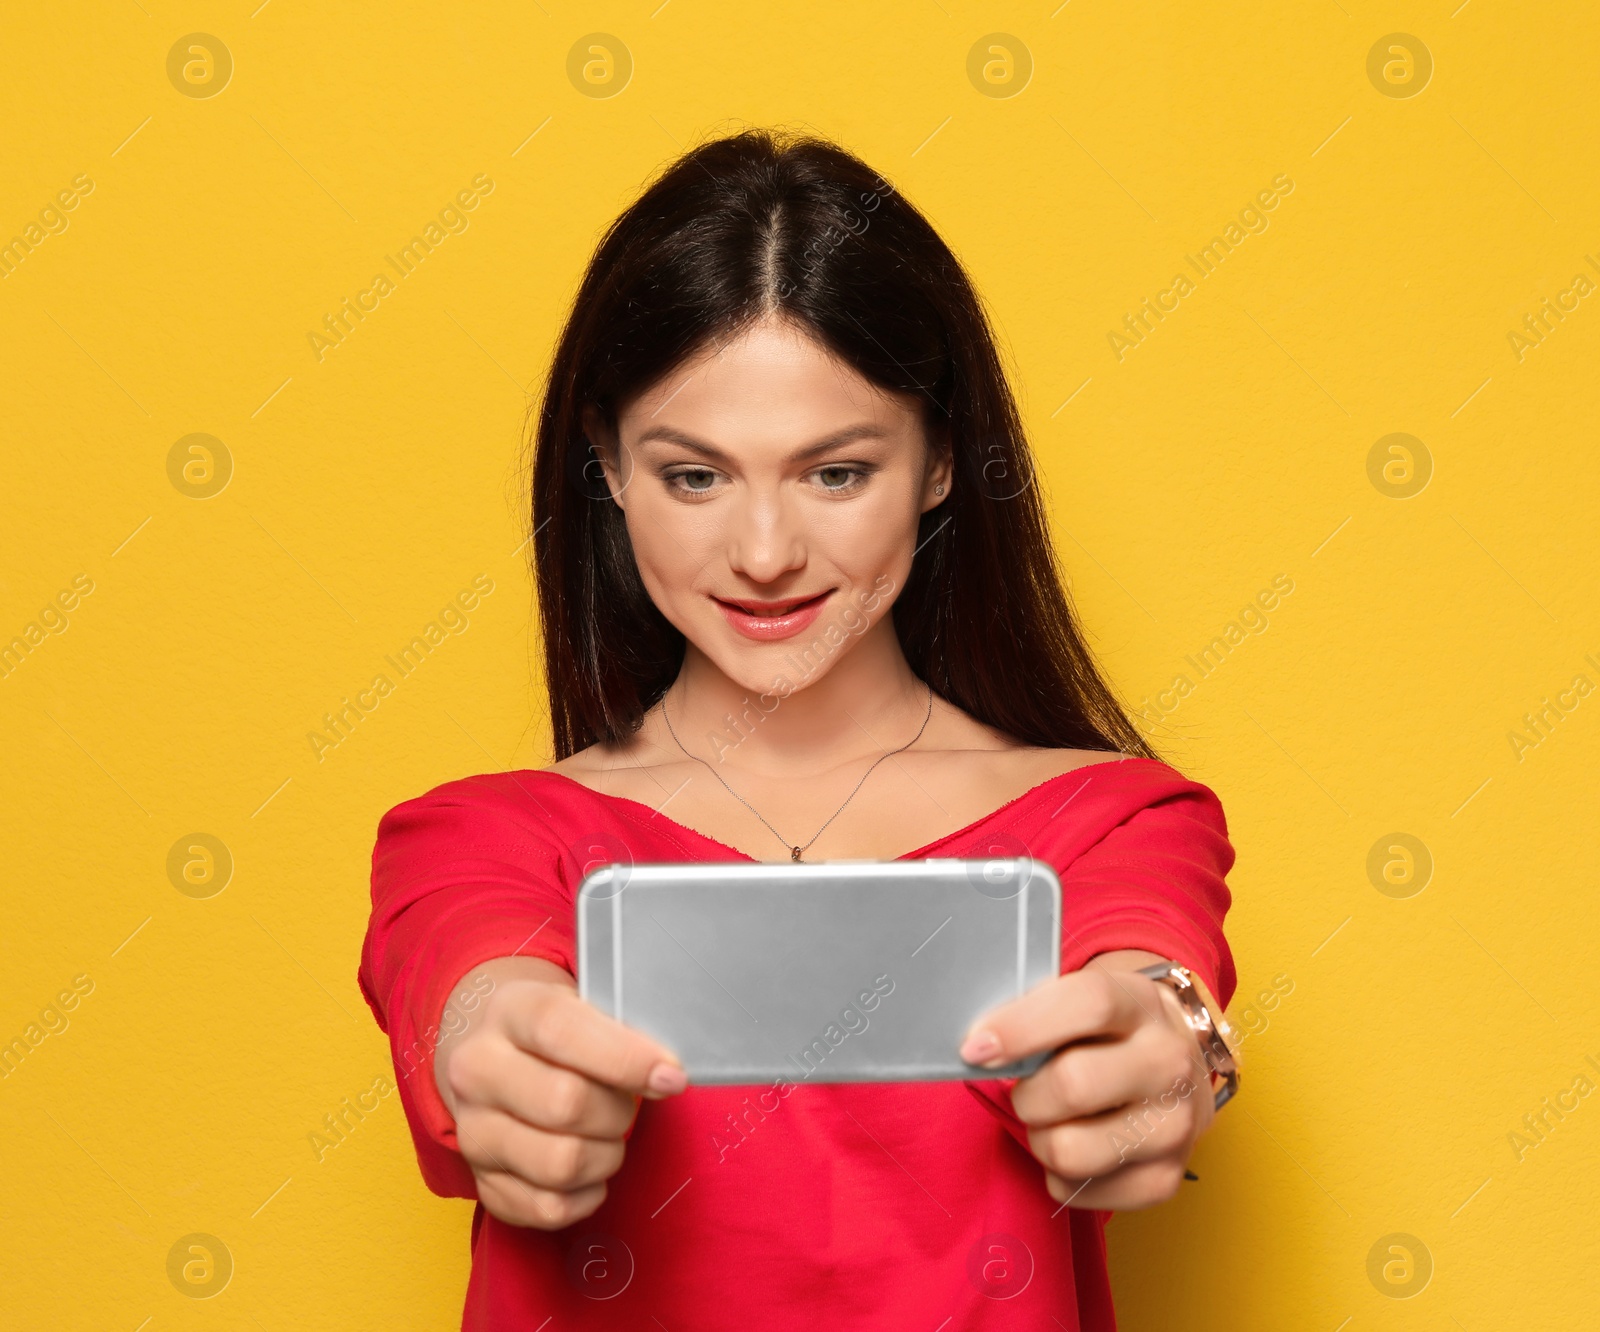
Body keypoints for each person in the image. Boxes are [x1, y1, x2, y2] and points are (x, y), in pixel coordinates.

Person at [359, 128, 1236, 1329]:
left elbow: (1147, 960)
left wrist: (1168, 1042)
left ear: (937, 464)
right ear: (608, 469)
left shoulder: (1112, 819)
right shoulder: (481, 834)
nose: (765, 557)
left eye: (834, 473)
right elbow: (470, 969)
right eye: (693, 477)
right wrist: (495, 1045)